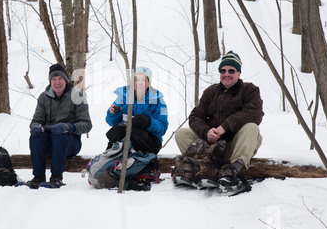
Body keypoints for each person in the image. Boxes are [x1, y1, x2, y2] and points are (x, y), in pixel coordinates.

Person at [175, 51, 264, 186]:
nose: (226, 74)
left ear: (238, 73)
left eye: (231, 71)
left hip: (236, 145)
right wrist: (207, 132)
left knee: (251, 127)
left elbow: (254, 113)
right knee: (181, 133)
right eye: (223, 70)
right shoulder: (211, 91)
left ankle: (232, 170)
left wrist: (225, 127)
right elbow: (195, 116)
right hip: (212, 148)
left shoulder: (250, 90)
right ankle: (204, 167)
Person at [28, 64, 92, 188]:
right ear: (50, 81)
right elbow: (36, 120)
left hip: (70, 142)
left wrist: (70, 127)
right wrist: (35, 127)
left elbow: (87, 124)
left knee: (59, 135)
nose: (57, 83)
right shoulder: (43, 97)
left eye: (60, 79)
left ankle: (56, 177)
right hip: (49, 142)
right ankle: (38, 177)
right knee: (36, 137)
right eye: (54, 79)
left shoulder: (77, 96)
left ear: (66, 80)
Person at [105, 66, 168, 154]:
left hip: (149, 141)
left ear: (149, 83)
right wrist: (113, 113)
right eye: (136, 79)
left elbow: (163, 128)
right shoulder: (122, 97)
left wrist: (148, 122)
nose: (139, 83)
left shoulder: (159, 101)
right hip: (125, 138)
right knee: (117, 130)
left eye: (144, 80)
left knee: (133, 131)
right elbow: (110, 122)